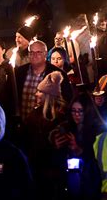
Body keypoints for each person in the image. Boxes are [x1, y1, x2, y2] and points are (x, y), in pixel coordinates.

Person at [24, 71, 68, 200]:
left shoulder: (59, 118)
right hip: (36, 168)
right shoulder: (34, 115)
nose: (36, 94)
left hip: (51, 172)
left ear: (48, 95)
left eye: (40, 92)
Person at [16, 40, 73, 123]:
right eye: (31, 52)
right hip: (23, 125)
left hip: (47, 125)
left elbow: (66, 100)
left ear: (45, 54)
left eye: (38, 52)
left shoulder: (58, 74)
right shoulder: (19, 72)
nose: (34, 55)